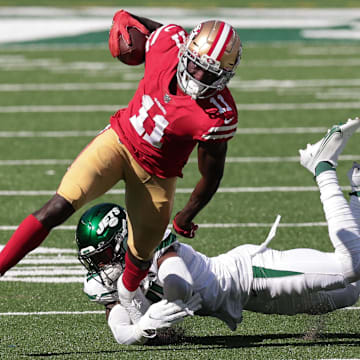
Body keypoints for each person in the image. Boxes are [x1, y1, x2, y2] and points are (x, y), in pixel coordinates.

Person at [0, 9, 242, 321]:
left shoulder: (216, 114)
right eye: (195, 66)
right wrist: (126, 21)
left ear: (223, 78)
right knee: (57, 206)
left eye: (208, 74)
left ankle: (129, 298)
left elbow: (211, 174)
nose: (197, 78)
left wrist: (186, 215)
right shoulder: (169, 44)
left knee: (138, 261)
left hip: (156, 176)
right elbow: (151, 27)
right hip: (118, 142)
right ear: (185, 53)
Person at [76, 117, 360, 345]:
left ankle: (322, 166)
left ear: (122, 241)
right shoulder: (105, 282)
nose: (99, 268)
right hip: (249, 301)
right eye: (94, 260)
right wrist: (142, 329)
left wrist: (168, 304)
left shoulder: (150, 238)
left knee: (350, 267)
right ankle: (358, 191)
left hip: (252, 274)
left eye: (102, 257)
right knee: (351, 293)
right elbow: (120, 331)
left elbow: (181, 283)